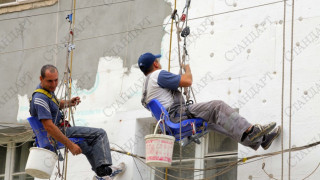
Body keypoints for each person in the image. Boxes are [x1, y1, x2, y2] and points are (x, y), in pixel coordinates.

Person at [138, 52, 281, 150]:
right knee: (217, 107)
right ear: (155, 64)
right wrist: (187, 69)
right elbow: (188, 81)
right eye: (158, 62)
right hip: (178, 115)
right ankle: (252, 130)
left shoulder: (145, 90)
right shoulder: (158, 75)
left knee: (219, 122)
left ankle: (262, 140)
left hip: (170, 124)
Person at [29, 64, 125, 180]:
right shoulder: (40, 98)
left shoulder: (46, 91)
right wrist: (70, 145)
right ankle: (105, 171)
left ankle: (103, 175)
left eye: (56, 80)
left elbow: (54, 104)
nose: (54, 85)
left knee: (87, 145)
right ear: (41, 79)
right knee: (100, 134)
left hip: (58, 131)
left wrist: (69, 102)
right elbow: (49, 127)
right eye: (50, 81)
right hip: (55, 133)